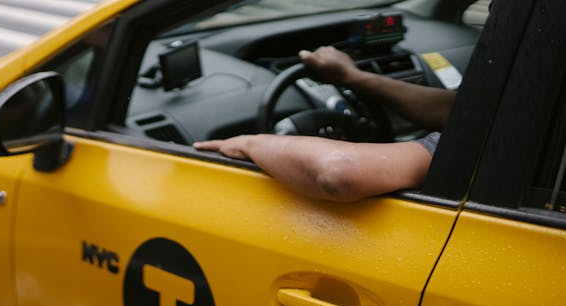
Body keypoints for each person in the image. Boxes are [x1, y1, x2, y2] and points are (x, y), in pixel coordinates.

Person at [193, 46, 457, 202]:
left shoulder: (491, 141)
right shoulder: (492, 119)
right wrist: (353, 77)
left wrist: (251, 142)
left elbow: (341, 172)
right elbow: (455, 110)